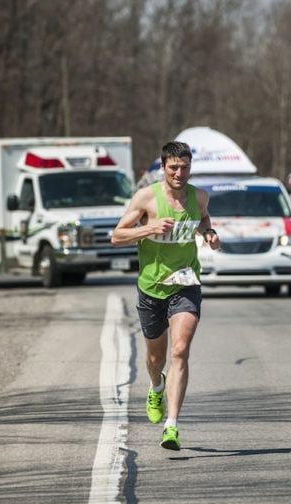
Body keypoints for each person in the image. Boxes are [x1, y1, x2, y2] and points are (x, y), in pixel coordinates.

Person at [111, 141, 220, 450]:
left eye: (185, 167)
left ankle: (171, 426)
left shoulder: (198, 196)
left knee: (180, 350)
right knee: (156, 357)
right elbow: (116, 236)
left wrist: (209, 234)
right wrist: (148, 228)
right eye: (173, 167)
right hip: (151, 287)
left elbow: (203, 219)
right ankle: (155, 386)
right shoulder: (146, 198)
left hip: (186, 283)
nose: (179, 173)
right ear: (163, 168)